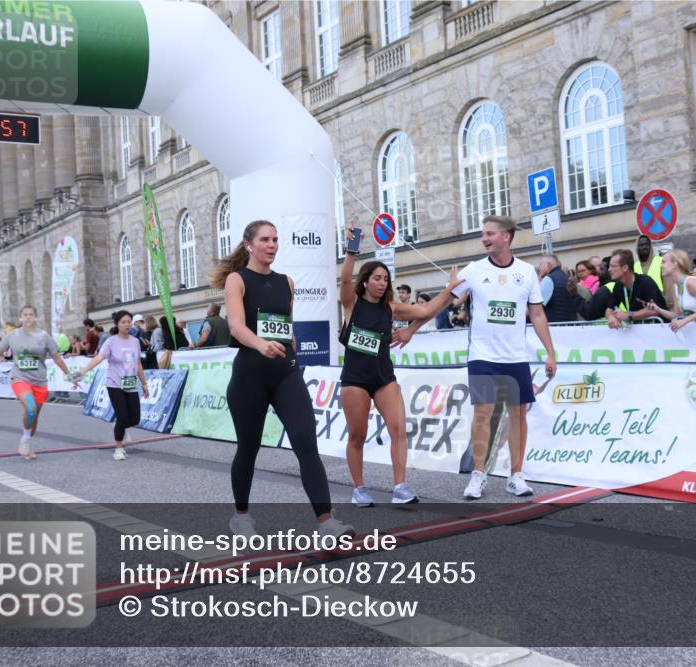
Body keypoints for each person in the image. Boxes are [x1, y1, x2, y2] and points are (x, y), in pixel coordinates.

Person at [211, 219, 353, 538]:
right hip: (249, 377)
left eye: (275, 239)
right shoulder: (237, 279)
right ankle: (241, 516)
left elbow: (287, 328)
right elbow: (236, 326)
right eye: (265, 239)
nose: (272, 245)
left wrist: (291, 356)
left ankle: (326, 522)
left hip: (285, 374)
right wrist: (262, 345)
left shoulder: (286, 282)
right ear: (249, 245)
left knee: (306, 442)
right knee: (248, 449)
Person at [407, 215, 557, 498]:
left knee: (517, 416)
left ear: (506, 237)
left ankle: (516, 475)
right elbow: (445, 300)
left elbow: (537, 313)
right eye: (483, 234)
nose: (484, 238)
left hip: (515, 357)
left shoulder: (526, 272)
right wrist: (413, 328)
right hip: (482, 356)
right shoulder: (474, 270)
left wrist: (550, 352)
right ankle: (478, 475)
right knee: (483, 414)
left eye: (490, 234)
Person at [339, 228, 462, 506]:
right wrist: (351, 250)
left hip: (384, 378)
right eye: (376, 278)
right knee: (357, 436)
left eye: (385, 279)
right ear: (366, 281)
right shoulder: (352, 303)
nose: (382, 283)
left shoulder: (391, 308)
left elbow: (426, 312)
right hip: (355, 380)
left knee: (399, 429)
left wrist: (450, 289)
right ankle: (359, 489)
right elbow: (345, 278)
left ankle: (400, 486)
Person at [0, 305, 72, 460]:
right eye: (25, 314)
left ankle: (27, 441)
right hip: (20, 378)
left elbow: (56, 357)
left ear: (36, 317)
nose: (28, 317)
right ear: (20, 318)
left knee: (34, 417)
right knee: (31, 408)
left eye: (31, 314)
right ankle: (25, 441)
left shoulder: (44, 336)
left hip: (40, 381)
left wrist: (69, 374)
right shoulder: (12, 336)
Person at [71, 310, 150, 461]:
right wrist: (82, 372)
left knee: (134, 419)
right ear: (118, 324)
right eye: (124, 322)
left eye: (129, 321)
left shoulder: (135, 341)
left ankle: (121, 427)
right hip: (114, 384)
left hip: (130, 384)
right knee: (122, 416)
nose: (127, 324)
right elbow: (99, 358)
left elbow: (138, 363)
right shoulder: (111, 341)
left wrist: (144, 383)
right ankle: (119, 448)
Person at [646, 249, 696, 332]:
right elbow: (676, 314)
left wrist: (685, 321)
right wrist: (658, 309)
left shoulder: (690, 282)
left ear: (674, 264)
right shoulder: (675, 285)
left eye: (663, 262)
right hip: (695, 333)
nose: (661, 266)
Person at [604, 249, 667, 329]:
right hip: (639, 332)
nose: (609, 269)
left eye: (613, 266)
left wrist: (629, 315)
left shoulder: (645, 281)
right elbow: (609, 309)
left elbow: (654, 310)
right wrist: (611, 317)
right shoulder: (618, 286)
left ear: (625, 268)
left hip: (661, 330)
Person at [537, 255, 577, 323]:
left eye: (540, 264)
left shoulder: (549, 279)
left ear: (548, 265)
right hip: (570, 323)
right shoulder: (565, 277)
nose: (539, 268)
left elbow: (537, 306)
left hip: (555, 325)